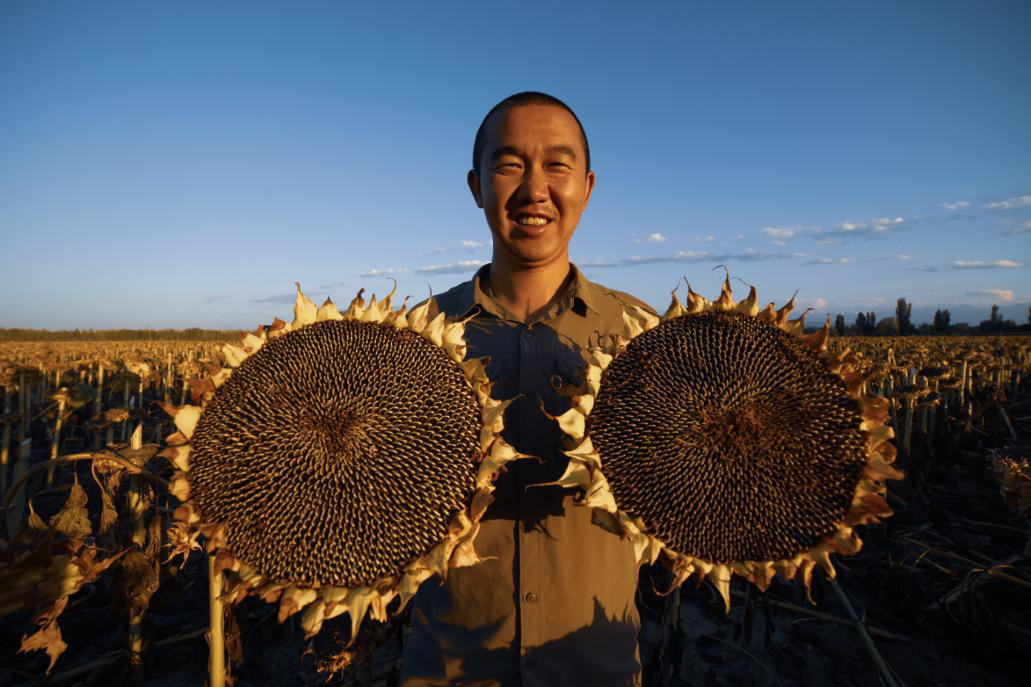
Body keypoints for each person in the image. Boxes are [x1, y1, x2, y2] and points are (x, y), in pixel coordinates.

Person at [400, 92, 655, 687]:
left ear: (587, 187)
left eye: (557, 166)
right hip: (450, 667)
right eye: (510, 164)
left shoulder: (643, 340)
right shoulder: (411, 344)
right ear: (476, 185)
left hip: (595, 665)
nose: (535, 188)